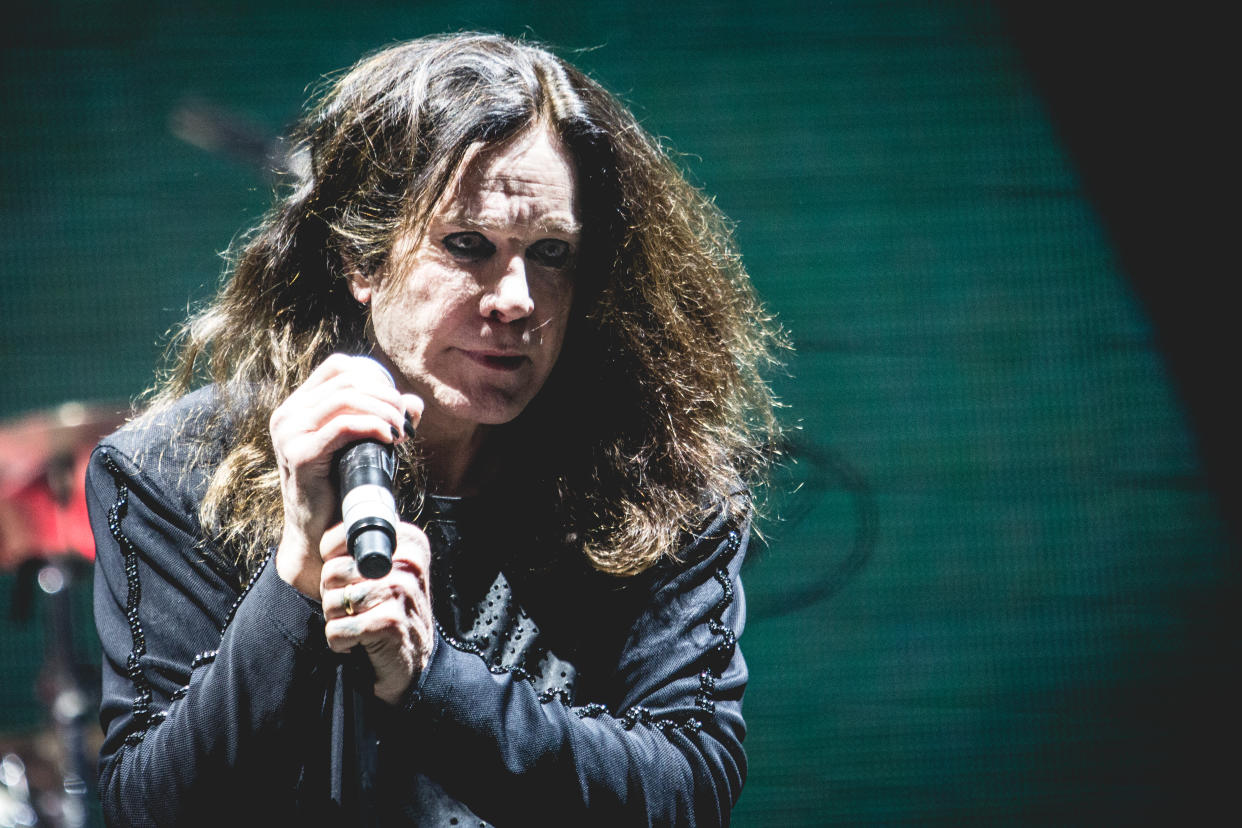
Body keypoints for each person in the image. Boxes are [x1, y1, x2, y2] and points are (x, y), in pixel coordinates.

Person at [86, 33, 784, 827]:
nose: (516, 297)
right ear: (362, 257)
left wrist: (433, 682)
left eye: (551, 252)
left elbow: (688, 791)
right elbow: (152, 813)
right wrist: (295, 580)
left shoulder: (661, 484)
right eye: (468, 246)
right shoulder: (172, 469)